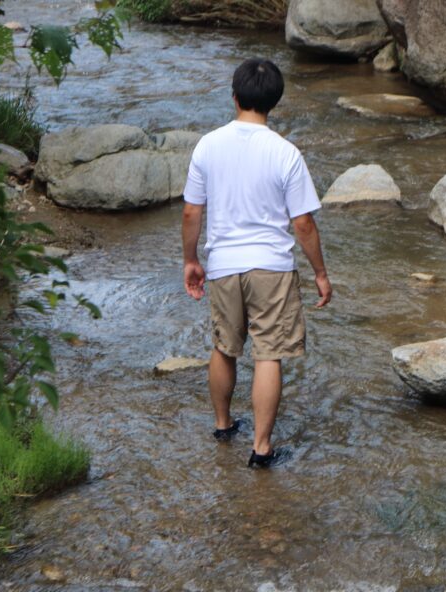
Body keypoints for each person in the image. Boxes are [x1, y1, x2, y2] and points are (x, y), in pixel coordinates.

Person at [181, 58, 332, 468]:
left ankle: (223, 424)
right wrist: (319, 273)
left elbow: (192, 213)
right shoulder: (285, 152)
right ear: (274, 102)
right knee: (269, 354)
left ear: (234, 96)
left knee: (224, 347)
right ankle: (262, 448)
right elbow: (302, 223)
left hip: (224, 264)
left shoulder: (207, 145)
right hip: (271, 266)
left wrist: (191, 260)